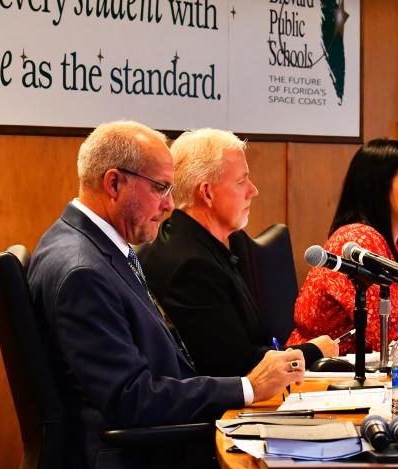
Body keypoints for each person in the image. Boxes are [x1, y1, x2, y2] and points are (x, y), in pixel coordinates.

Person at [27, 121, 305, 469]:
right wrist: (248, 388)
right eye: (160, 188)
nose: (170, 204)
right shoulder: (83, 271)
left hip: (153, 463)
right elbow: (132, 399)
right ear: (113, 183)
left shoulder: (94, 249)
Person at [139, 128, 338, 376]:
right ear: (207, 193)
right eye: (241, 181)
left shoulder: (191, 243)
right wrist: (313, 351)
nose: (253, 190)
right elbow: (234, 366)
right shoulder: (190, 266)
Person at [289, 138, 398, 353]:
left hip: (370, 371)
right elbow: (386, 334)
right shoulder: (356, 241)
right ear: (379, 188)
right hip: (320, 373)